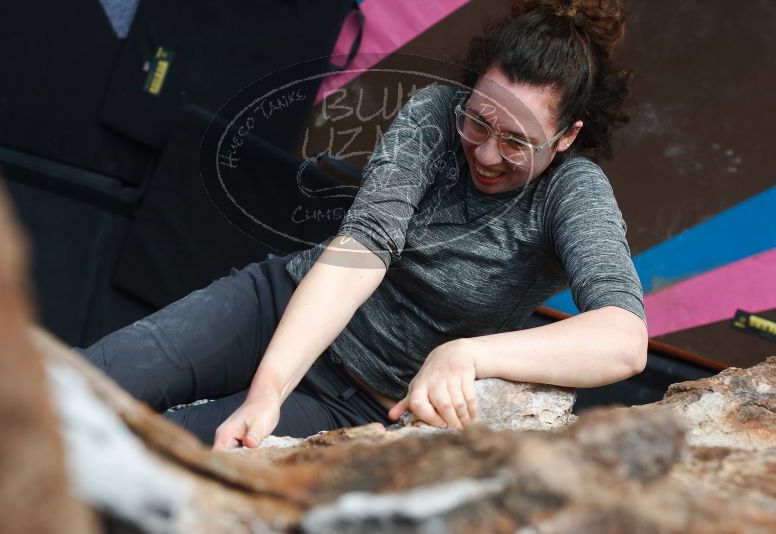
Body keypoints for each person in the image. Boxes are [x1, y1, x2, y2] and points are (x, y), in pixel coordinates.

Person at [78, 0, 648, 450]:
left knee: (159, 454)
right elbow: (364, 249)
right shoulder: (432, 116)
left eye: (517, 141)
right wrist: (266, 391)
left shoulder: (573, 193)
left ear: (566, 137)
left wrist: (471, 355)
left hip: (362, 403)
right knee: (90, 382)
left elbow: (623, 339)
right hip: (281, 307)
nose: (488, 153)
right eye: (478, 121)